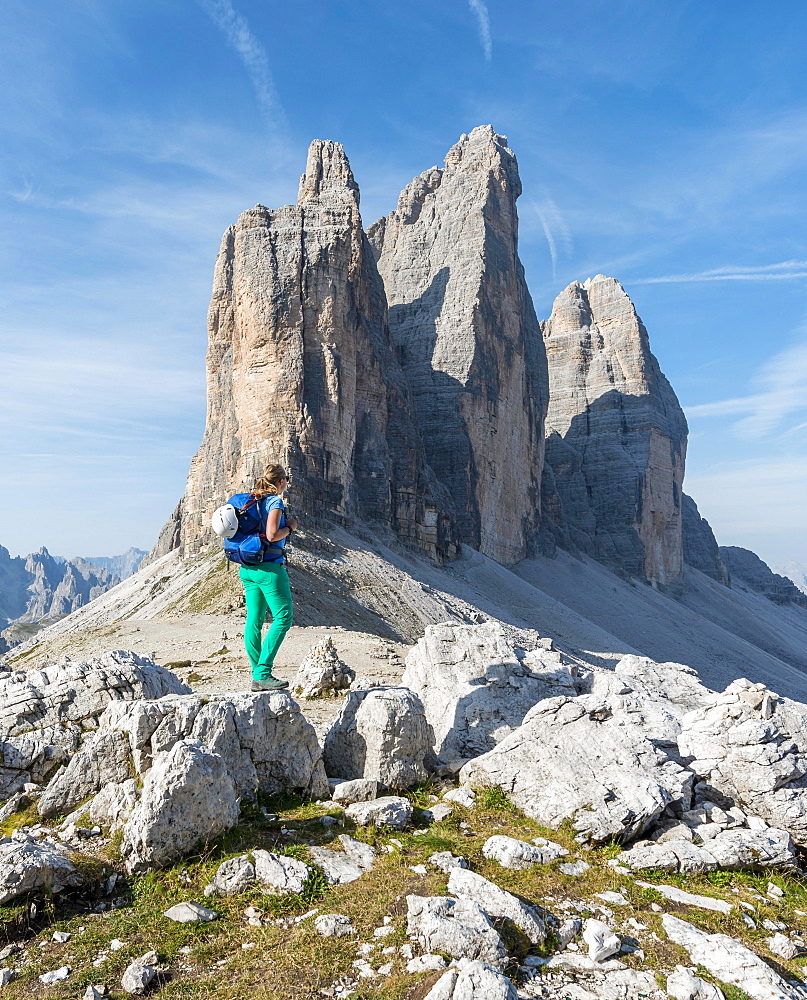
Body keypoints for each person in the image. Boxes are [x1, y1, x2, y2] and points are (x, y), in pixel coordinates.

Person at [239, 464, 298, 691]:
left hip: (248, 568)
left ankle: (258, 673)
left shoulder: (253, 500)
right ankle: (263, 673)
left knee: (254, 619)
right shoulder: (274, 502)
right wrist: (291, 527)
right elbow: (273, 535)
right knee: (283, 617)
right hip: (269, 569)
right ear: (281, 481)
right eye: (286, 479)